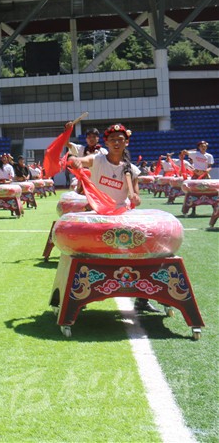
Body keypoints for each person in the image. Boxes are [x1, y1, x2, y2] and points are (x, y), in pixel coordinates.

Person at [70, 124, 156, 313]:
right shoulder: (98, 160)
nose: (116, 143)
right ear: (106, 143)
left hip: (120, 217)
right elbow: (83, 160)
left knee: (140, 250)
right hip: (99, 216)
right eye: (112, 140)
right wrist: (76, 160)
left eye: (120, 140)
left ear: (126, 143)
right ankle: (79, 295)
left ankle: (142, 297)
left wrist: (136, 198)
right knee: (85, 254)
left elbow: (136, 196)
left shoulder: (132, 169)